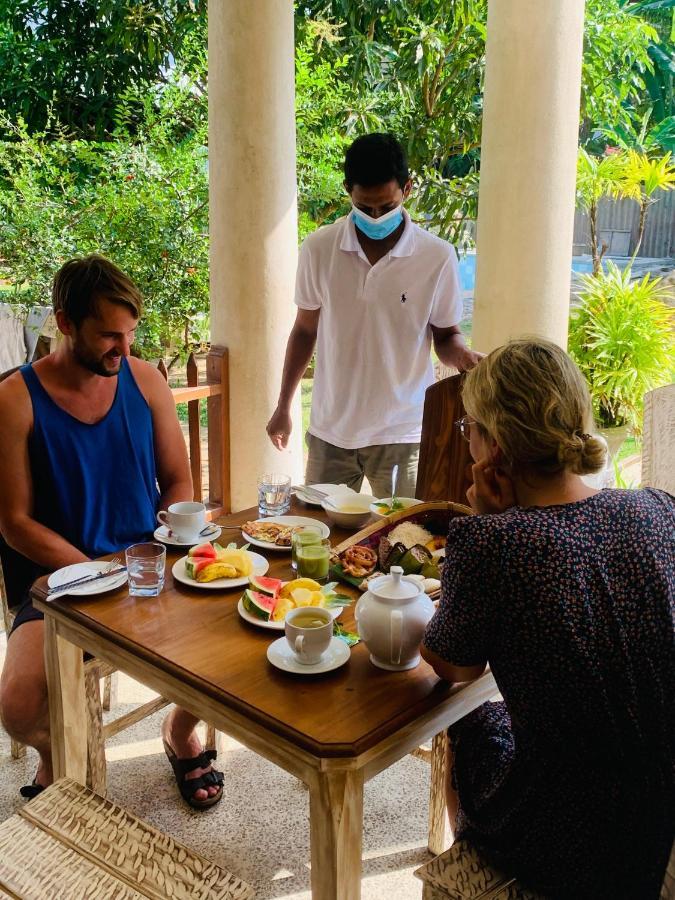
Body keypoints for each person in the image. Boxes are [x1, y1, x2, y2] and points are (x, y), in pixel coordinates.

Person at [421, 339, 674, 899]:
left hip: (565, 846)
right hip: (656, 820)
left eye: (470, 431)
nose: (468, 445)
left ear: (494, 447)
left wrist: (487, 520)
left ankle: (470, 852)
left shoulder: (495, 543)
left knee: (469, 720)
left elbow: (449, 664)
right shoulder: (655, 509)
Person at [0, 255, 224, 809]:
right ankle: (62, 754)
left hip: (149, 559)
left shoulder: (144, 380)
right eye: (109, 337)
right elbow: (14, 521)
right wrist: (92, 571)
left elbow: (177, 480)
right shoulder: (14, 399)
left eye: (130, 335)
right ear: (65, 323)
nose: (124, 351)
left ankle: (178, 731)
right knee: (19, 706)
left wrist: (162, 549)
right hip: (62, 576)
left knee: (234, 640)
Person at [267, 132, 481, 498]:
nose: (377, 216)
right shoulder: (319, 249)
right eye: (365, 207)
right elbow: (305, 330)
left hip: (404, 432)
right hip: (331, 431)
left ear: (407, 189)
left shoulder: (437, 256)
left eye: (386, 206)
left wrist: (462, 355)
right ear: (348, 190)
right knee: (322, 538)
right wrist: (284, 405)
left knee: (408, 538)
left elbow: (445, 336)